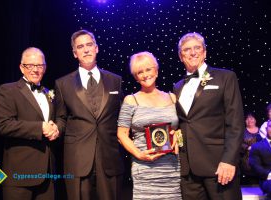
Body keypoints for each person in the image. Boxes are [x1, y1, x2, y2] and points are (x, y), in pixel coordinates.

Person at [173, 32, 244, 200]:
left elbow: (235, 123)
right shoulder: (177, 86)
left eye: (197, 48)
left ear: (204, 52)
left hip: (219, 166)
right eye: (187, 49)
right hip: (188, 170)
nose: (193, 52)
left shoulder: (225, 77)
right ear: (180, 56)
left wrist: (229, 160)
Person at [55, 29, 124, 200]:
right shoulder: (62, 84)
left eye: (89, 45)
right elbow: (61, 118)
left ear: (96, 48)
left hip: (109, 156)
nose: (86, 50)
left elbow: (122, 117)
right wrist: (54, 128)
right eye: (80, 46)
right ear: (74, 53)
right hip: (78, 159)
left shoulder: (115, 80)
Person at [0, 47, 59, 200]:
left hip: (47, 175)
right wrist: (40, 128)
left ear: (44, 68)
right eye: (30, 65)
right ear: (21, 67)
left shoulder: (47, 92)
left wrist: (56, 129)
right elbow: (4, 125)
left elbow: (56, 120)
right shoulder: (7, 90)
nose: (35, 70)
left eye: (39, 66)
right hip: (19, 175)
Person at [117, 51, 182, 199]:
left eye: (148, 69)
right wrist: (139, 154)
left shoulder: (172, 98)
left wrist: (178, 136)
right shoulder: (131, 100)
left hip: (171, 166)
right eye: (140, 72)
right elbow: (121, 134)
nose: (145, 74)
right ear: (135, 77)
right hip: (144, 166)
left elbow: (181, 129)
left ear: (156, 71)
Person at [249, 120, 271, 198]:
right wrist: (269, 174)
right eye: (270, 126)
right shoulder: (257, 147)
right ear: (266, 129)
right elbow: (255, 166)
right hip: (267, 180)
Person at [240, 112, 262, 184]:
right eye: (247, 119)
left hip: (261, 161)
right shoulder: (242, 131)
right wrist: (247, 147)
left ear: (255, 120)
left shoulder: (262, 130)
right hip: (246, 161)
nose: (249, 120)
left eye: (251, 118)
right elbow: (238, 143)